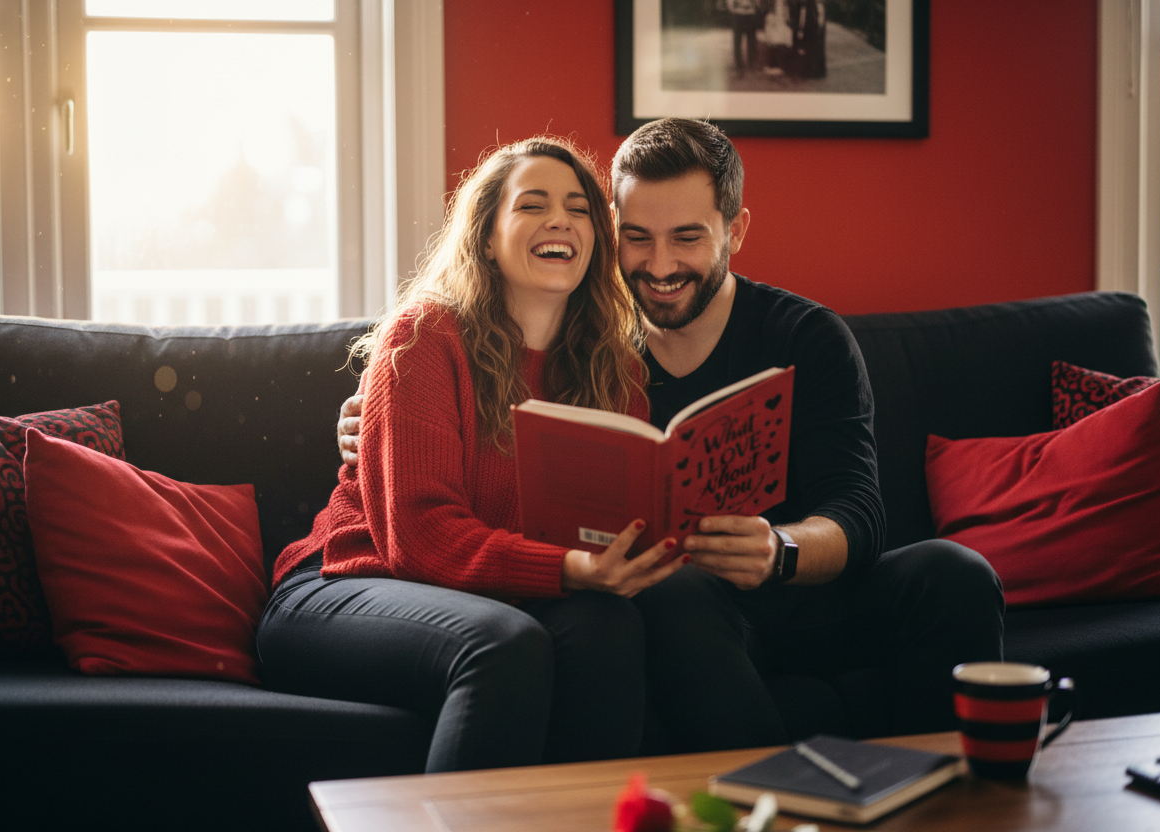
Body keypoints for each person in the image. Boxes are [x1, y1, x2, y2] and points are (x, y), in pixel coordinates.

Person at [339, 119, 1005, 751]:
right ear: (612, 232)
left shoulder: (806, 336)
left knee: (955, 572)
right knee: (665, 592)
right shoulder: (595, 346)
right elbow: (456, 426)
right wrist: (369, 426)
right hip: (687, 604)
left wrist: (780, 549)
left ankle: (947, 798)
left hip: (800, 590)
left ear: (734, 230)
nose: (660, 265)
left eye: (687, 237)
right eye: (638, 237)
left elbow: (858, 511)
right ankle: (769, 797)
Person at [259, 137, 688, 774]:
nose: (560, 220)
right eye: (533, 204)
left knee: (610, 626)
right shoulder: (423, 338)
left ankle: (580, 819)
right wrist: (571, 568)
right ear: (486, 237)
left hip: (492, 596)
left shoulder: (614, 371)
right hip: (342, 585)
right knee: (504, 644)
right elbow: (420, 538)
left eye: (578, 209)